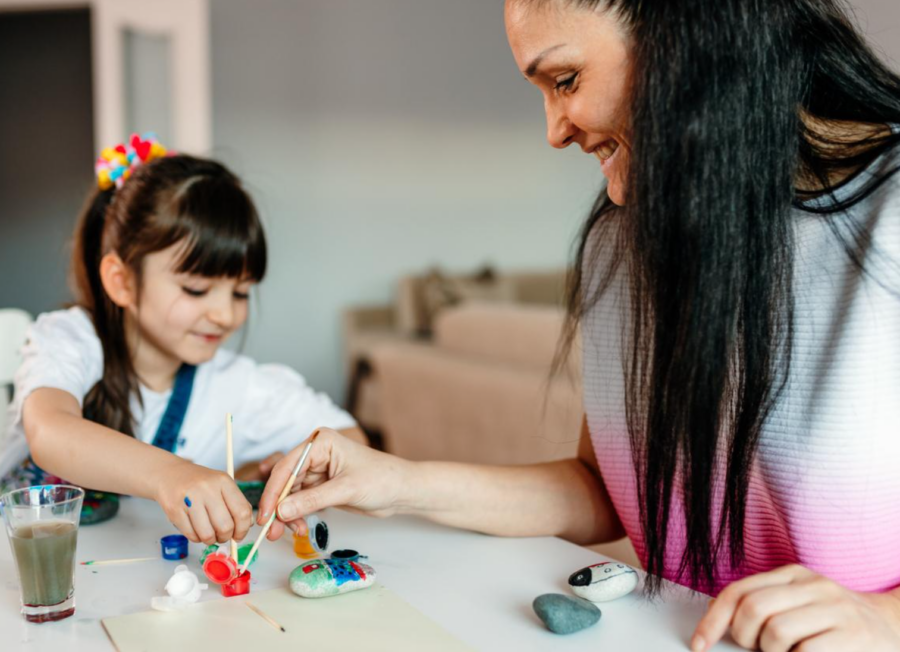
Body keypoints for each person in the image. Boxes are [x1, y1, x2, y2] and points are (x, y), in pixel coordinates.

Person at [258, 2, 900, 651]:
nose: (553, 131)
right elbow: (604, 490)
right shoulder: (619, 244)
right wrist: (395, 483)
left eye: (564, 80)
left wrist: (884, 618)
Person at [3, 134, 365, 546]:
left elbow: (351, 441)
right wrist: (173, 474)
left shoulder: (241, 386)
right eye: (195, 290)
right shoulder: (71, 340)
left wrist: (295, 473)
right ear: (121, 281)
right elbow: (51, 432)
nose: (225, 315)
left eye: (241, 292)